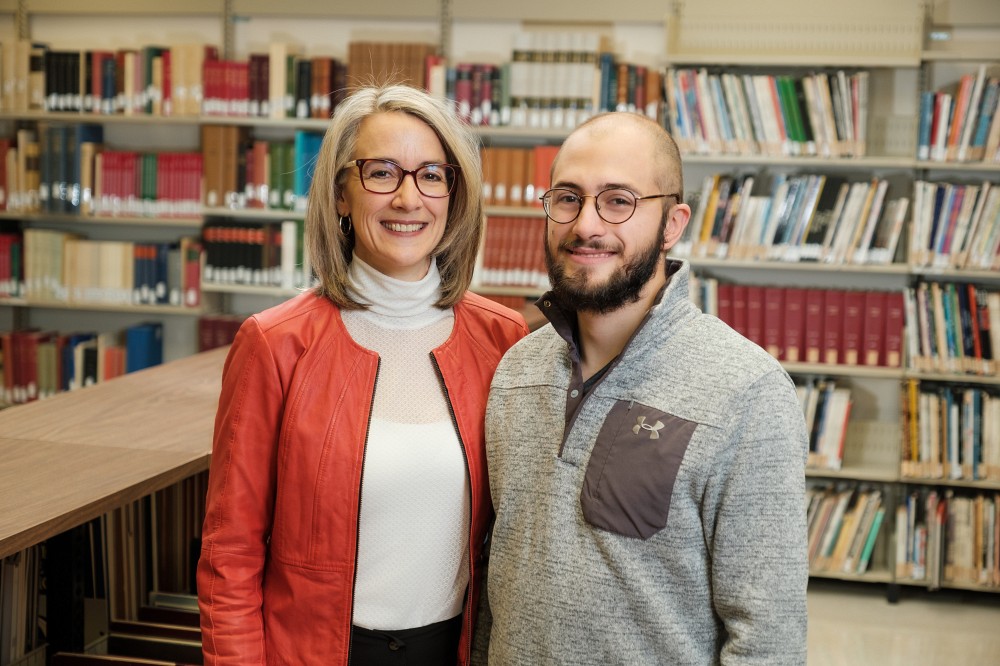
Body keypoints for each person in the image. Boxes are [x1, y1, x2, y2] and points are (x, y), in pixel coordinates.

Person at [197, 83, 528, 666]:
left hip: (453, 650)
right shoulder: (275, 345)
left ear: (453, 193)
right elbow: (231, 552)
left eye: (431, 174)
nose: (408, 197)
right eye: (381, 172)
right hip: (314, 653)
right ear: (341, 195)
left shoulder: (502, 341)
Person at [473, 112, 809, 665]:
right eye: (567, 198)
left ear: (673, 223)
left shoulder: (747, 393)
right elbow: (498, 583)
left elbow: (767, 638)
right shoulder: (515, 373)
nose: (586, 225)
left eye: (618, 200)